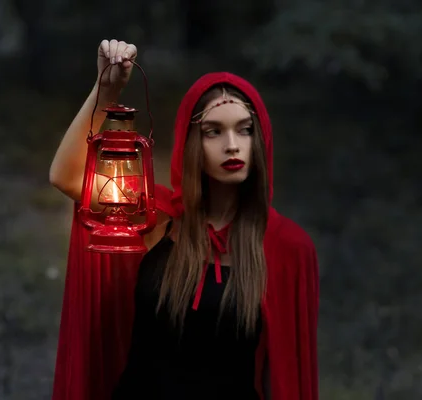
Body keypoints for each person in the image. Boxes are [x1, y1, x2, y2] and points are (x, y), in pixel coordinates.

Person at [49, 39, 320, 400]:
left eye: (244, 129)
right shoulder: (158, 215)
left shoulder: (287, 247)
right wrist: (107, 89)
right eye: (214, 132)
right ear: (192, 142)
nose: (233, 145)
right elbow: (66, 176)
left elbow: (285, 378)